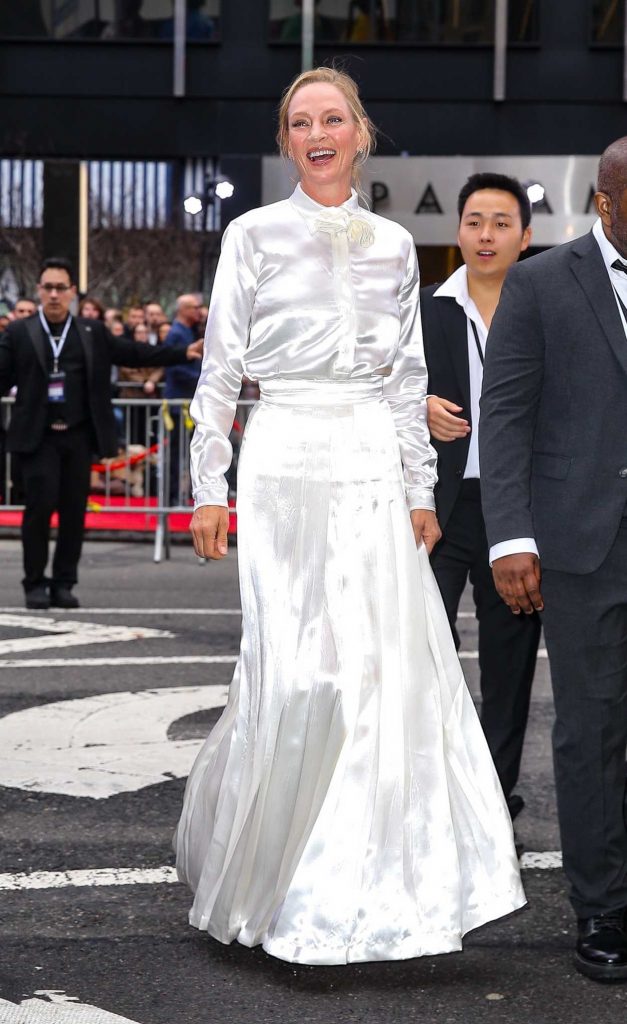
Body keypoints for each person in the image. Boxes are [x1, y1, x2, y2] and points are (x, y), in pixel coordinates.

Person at [174, 66, 524, 966]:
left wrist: (419, 489)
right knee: (298, 671)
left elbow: (407, 380)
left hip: (370, 459)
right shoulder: (252, 235)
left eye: (332, 119)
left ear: (359, 132)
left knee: (379, 673)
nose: (317, 134)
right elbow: (220, 369)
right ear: (285, 141)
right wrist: (208, 485)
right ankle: (274, 879)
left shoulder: (394, 245)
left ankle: (361, 894)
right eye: (300, 123)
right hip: (284, 457)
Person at [479, 137, 627, 981]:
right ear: (605, 201)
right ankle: (602, 906)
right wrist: (510, 536)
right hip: (580, 544)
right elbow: (503, 416)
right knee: (591, 728)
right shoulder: (539, 284)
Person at [421, 173, 541, 824]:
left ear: (525, 236)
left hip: (518, 513)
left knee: (509, 665)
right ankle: (434, 796)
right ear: (458, 231)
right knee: (423, 656)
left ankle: (494, 805)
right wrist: (416, 406)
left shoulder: (547, 307)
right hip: (439, 510)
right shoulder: (422, 309)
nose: (485, 234)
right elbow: (376, 388)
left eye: (500, 222)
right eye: (474, 221)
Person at [0, 257, 203, 610]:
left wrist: (182, 353)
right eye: (48, 288)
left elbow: (133, 352)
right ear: (39, 290)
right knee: (38, 510)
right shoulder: (19, 333)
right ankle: (34, 583)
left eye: (60, 288)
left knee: (74, 512)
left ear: (72, 292)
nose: (54, 295)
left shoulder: (91, 331)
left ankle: (64, 583)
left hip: (79, 436)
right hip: (37, 438)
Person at [163, 294, 203, 503]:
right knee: (177, 452)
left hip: (188, 401)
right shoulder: (176, 333)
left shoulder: (188, 331)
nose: (198, 311)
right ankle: (172, 494)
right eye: (194, 307)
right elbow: (173, 367)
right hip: (179, 403)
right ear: (183, 309)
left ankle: (184, 492)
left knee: (188, 451)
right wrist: (201, 378)